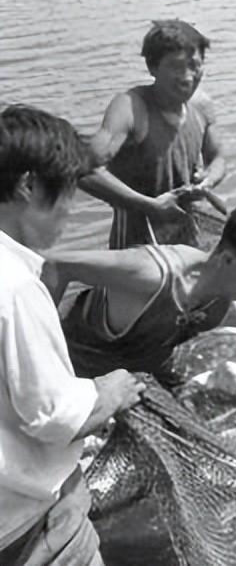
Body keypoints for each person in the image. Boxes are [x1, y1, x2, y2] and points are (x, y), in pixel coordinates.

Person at [0, 105, 144, 565]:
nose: (72, 207)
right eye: (67, 190)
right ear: (27, 186)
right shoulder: (16, 287)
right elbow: (54, 417)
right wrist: (110, 391)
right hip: (27, 528)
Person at [47, 203, 236, 427]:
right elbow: (56, 265)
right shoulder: (152, 274)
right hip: (79, 369)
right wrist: (41, 355)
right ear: (227, 260)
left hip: (147, 377)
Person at [79, 19, 227, 249]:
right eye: (176, 66)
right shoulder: (130, 108)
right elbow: (83, 170)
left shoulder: (201, 105)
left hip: (186, 232)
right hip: (136, 240)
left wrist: (208, 180)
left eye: (194, 65)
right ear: (152, 68)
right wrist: (148, 205)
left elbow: (218, 158)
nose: (188, 76)